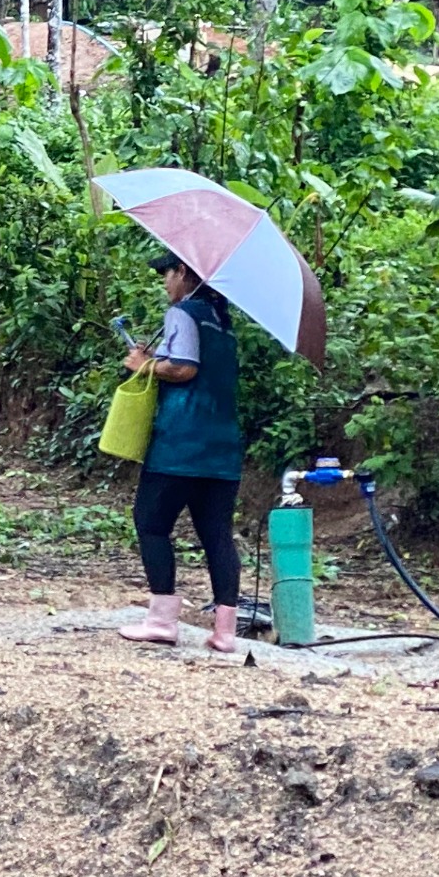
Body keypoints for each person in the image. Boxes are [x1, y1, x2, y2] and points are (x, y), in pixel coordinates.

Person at [118, 251, 244, 651]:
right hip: (222, 447)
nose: (164, 283)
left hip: (180, 442)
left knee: (151, 523)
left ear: (184, 272)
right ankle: (225, 630)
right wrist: (156, 358)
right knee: (217, 535)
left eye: (167, 274)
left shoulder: (183, 312)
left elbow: (185, 368)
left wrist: (144, 365)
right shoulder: (222, 320)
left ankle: (161, 620)